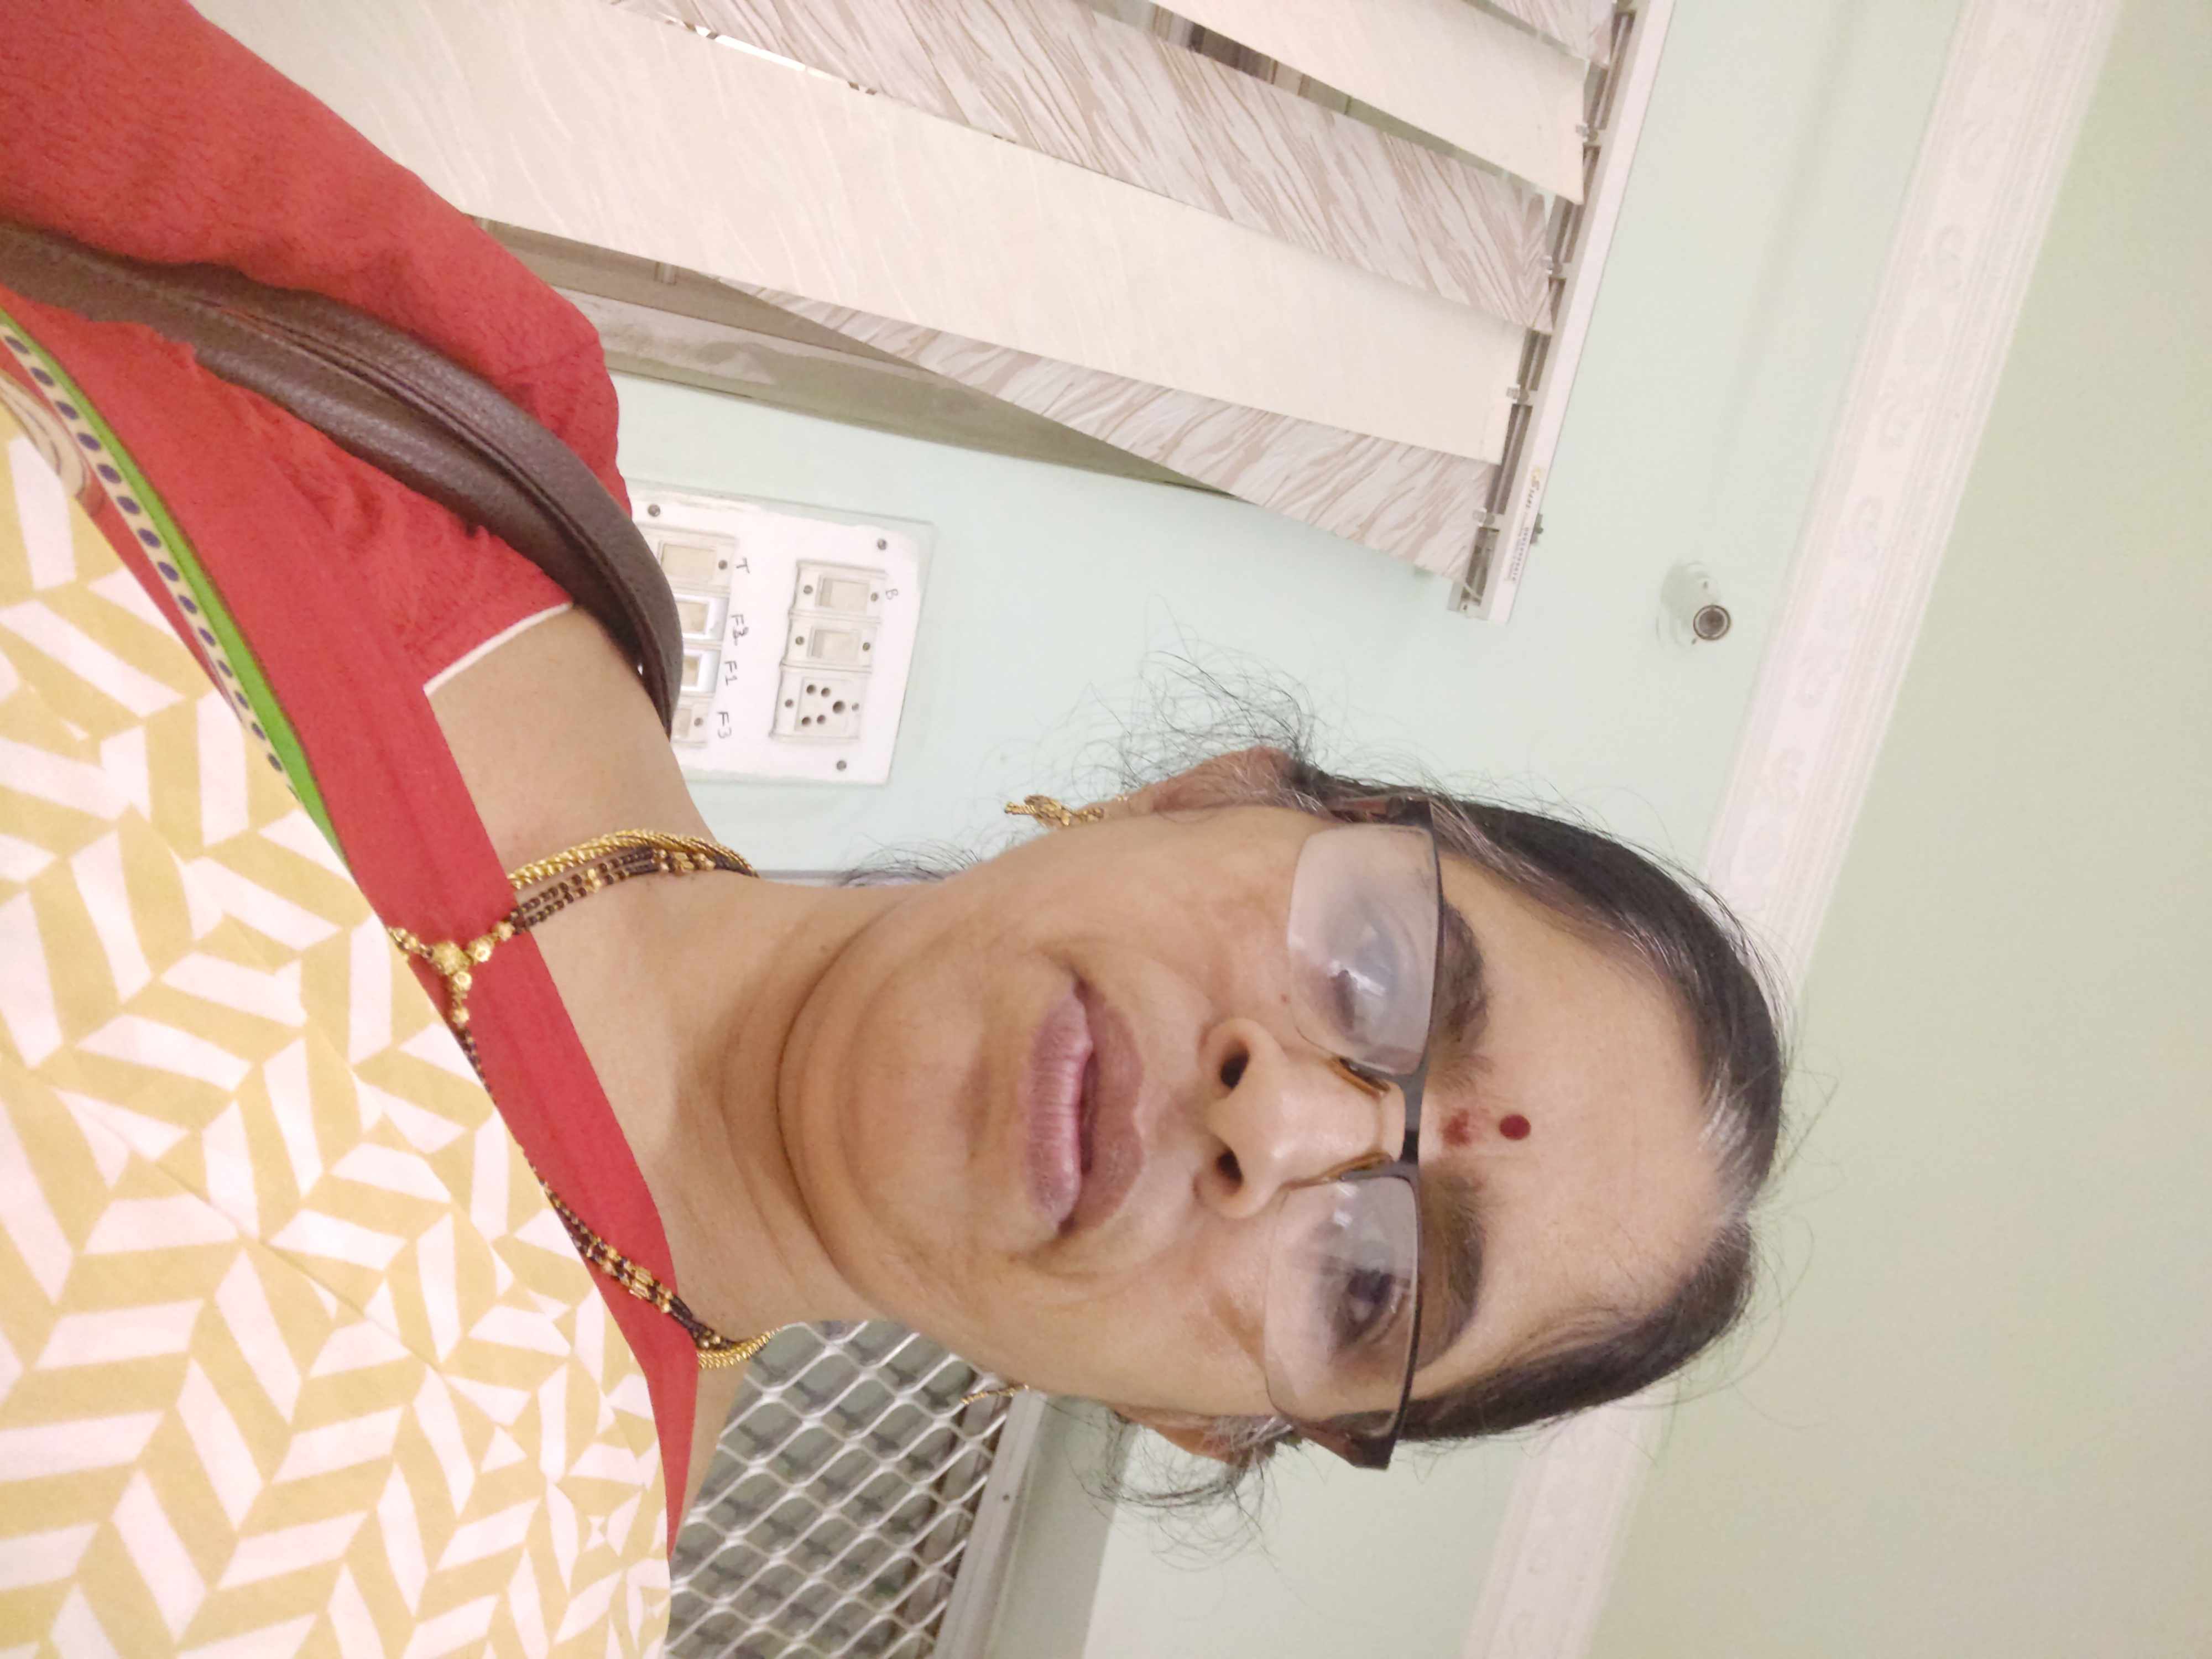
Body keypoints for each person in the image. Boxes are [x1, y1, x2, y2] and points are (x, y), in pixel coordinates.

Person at [0, 0, 1785, 1648]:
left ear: (1206, 1421)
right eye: (1384, 967)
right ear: (1216, 793)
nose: (1283, 1118)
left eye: (1374, 1289)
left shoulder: (481, 1587)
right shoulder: (462, 409)